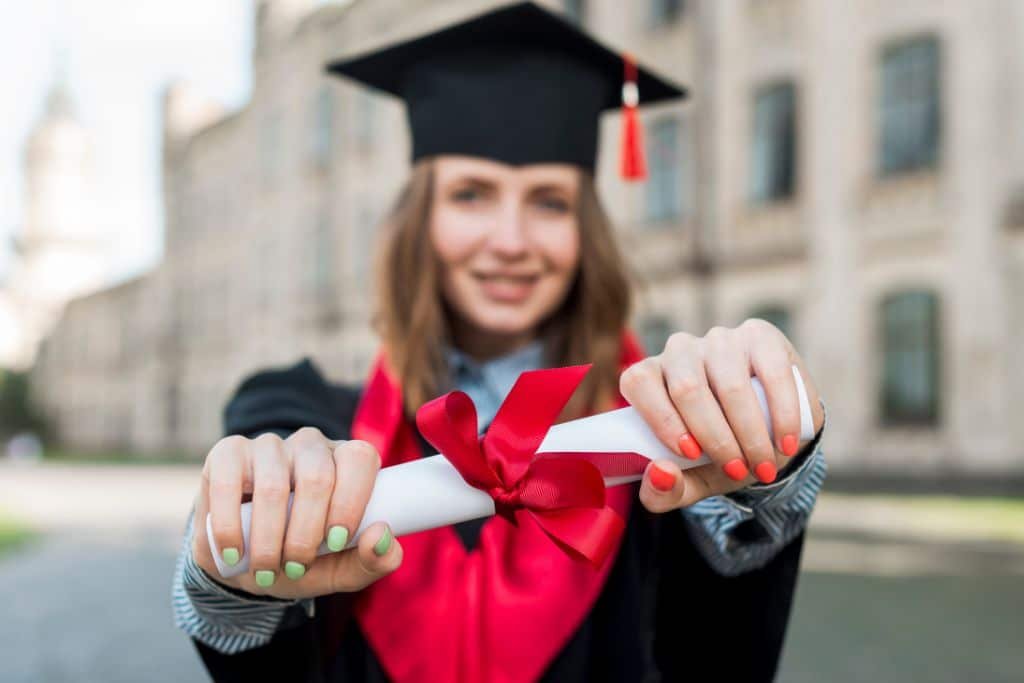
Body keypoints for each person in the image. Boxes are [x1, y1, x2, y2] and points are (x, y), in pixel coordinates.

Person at [172, 3, 827, 681]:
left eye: (549, 201)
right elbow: (248, 624)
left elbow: (724, 632)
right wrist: (236, 555)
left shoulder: (654, 438)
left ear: (587, 234)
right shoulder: (308, 418)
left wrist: (763, 454)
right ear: (418, 221)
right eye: (471, 195)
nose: (510, 240)